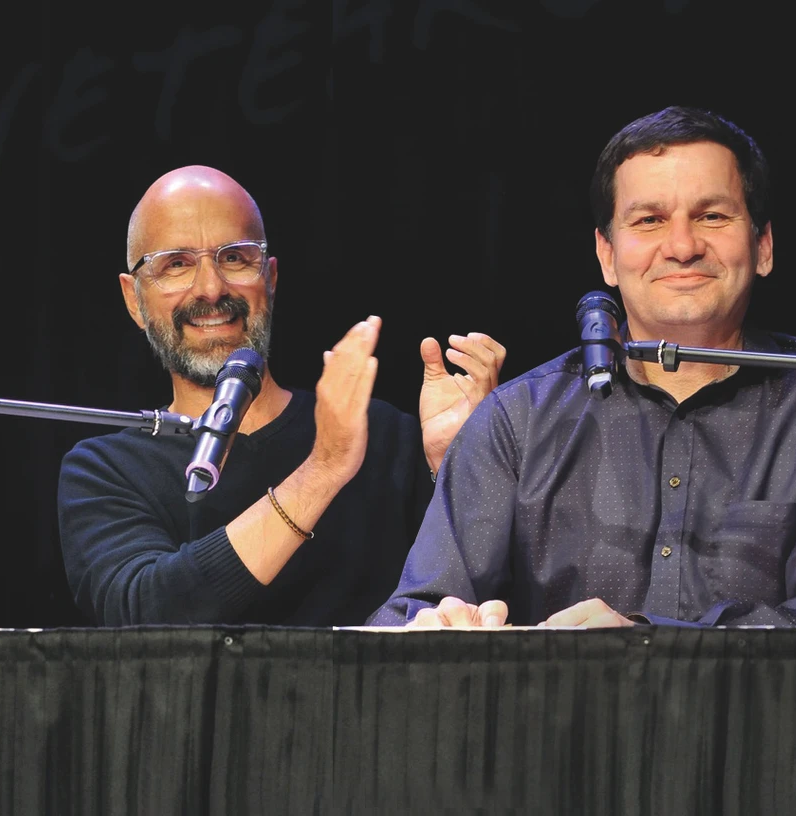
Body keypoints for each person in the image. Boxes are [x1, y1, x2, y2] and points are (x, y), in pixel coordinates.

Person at [369, 105, 796, 629]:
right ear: (607, 255)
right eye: (649, 221)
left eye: (712, 216)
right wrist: (435, 627)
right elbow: (413, 611)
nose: (683, 247)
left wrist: (644, 642)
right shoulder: (518, 418)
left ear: (763, 246)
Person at [58, 165, 506, 626]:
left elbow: (486, 597)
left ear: (270, 277)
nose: (211, 289)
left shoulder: (384, 434)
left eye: (235, 258)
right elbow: (145, 614)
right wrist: (324, 469)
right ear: (134, 299)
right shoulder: (103, 471)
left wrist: (459, 465)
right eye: (176, 264)